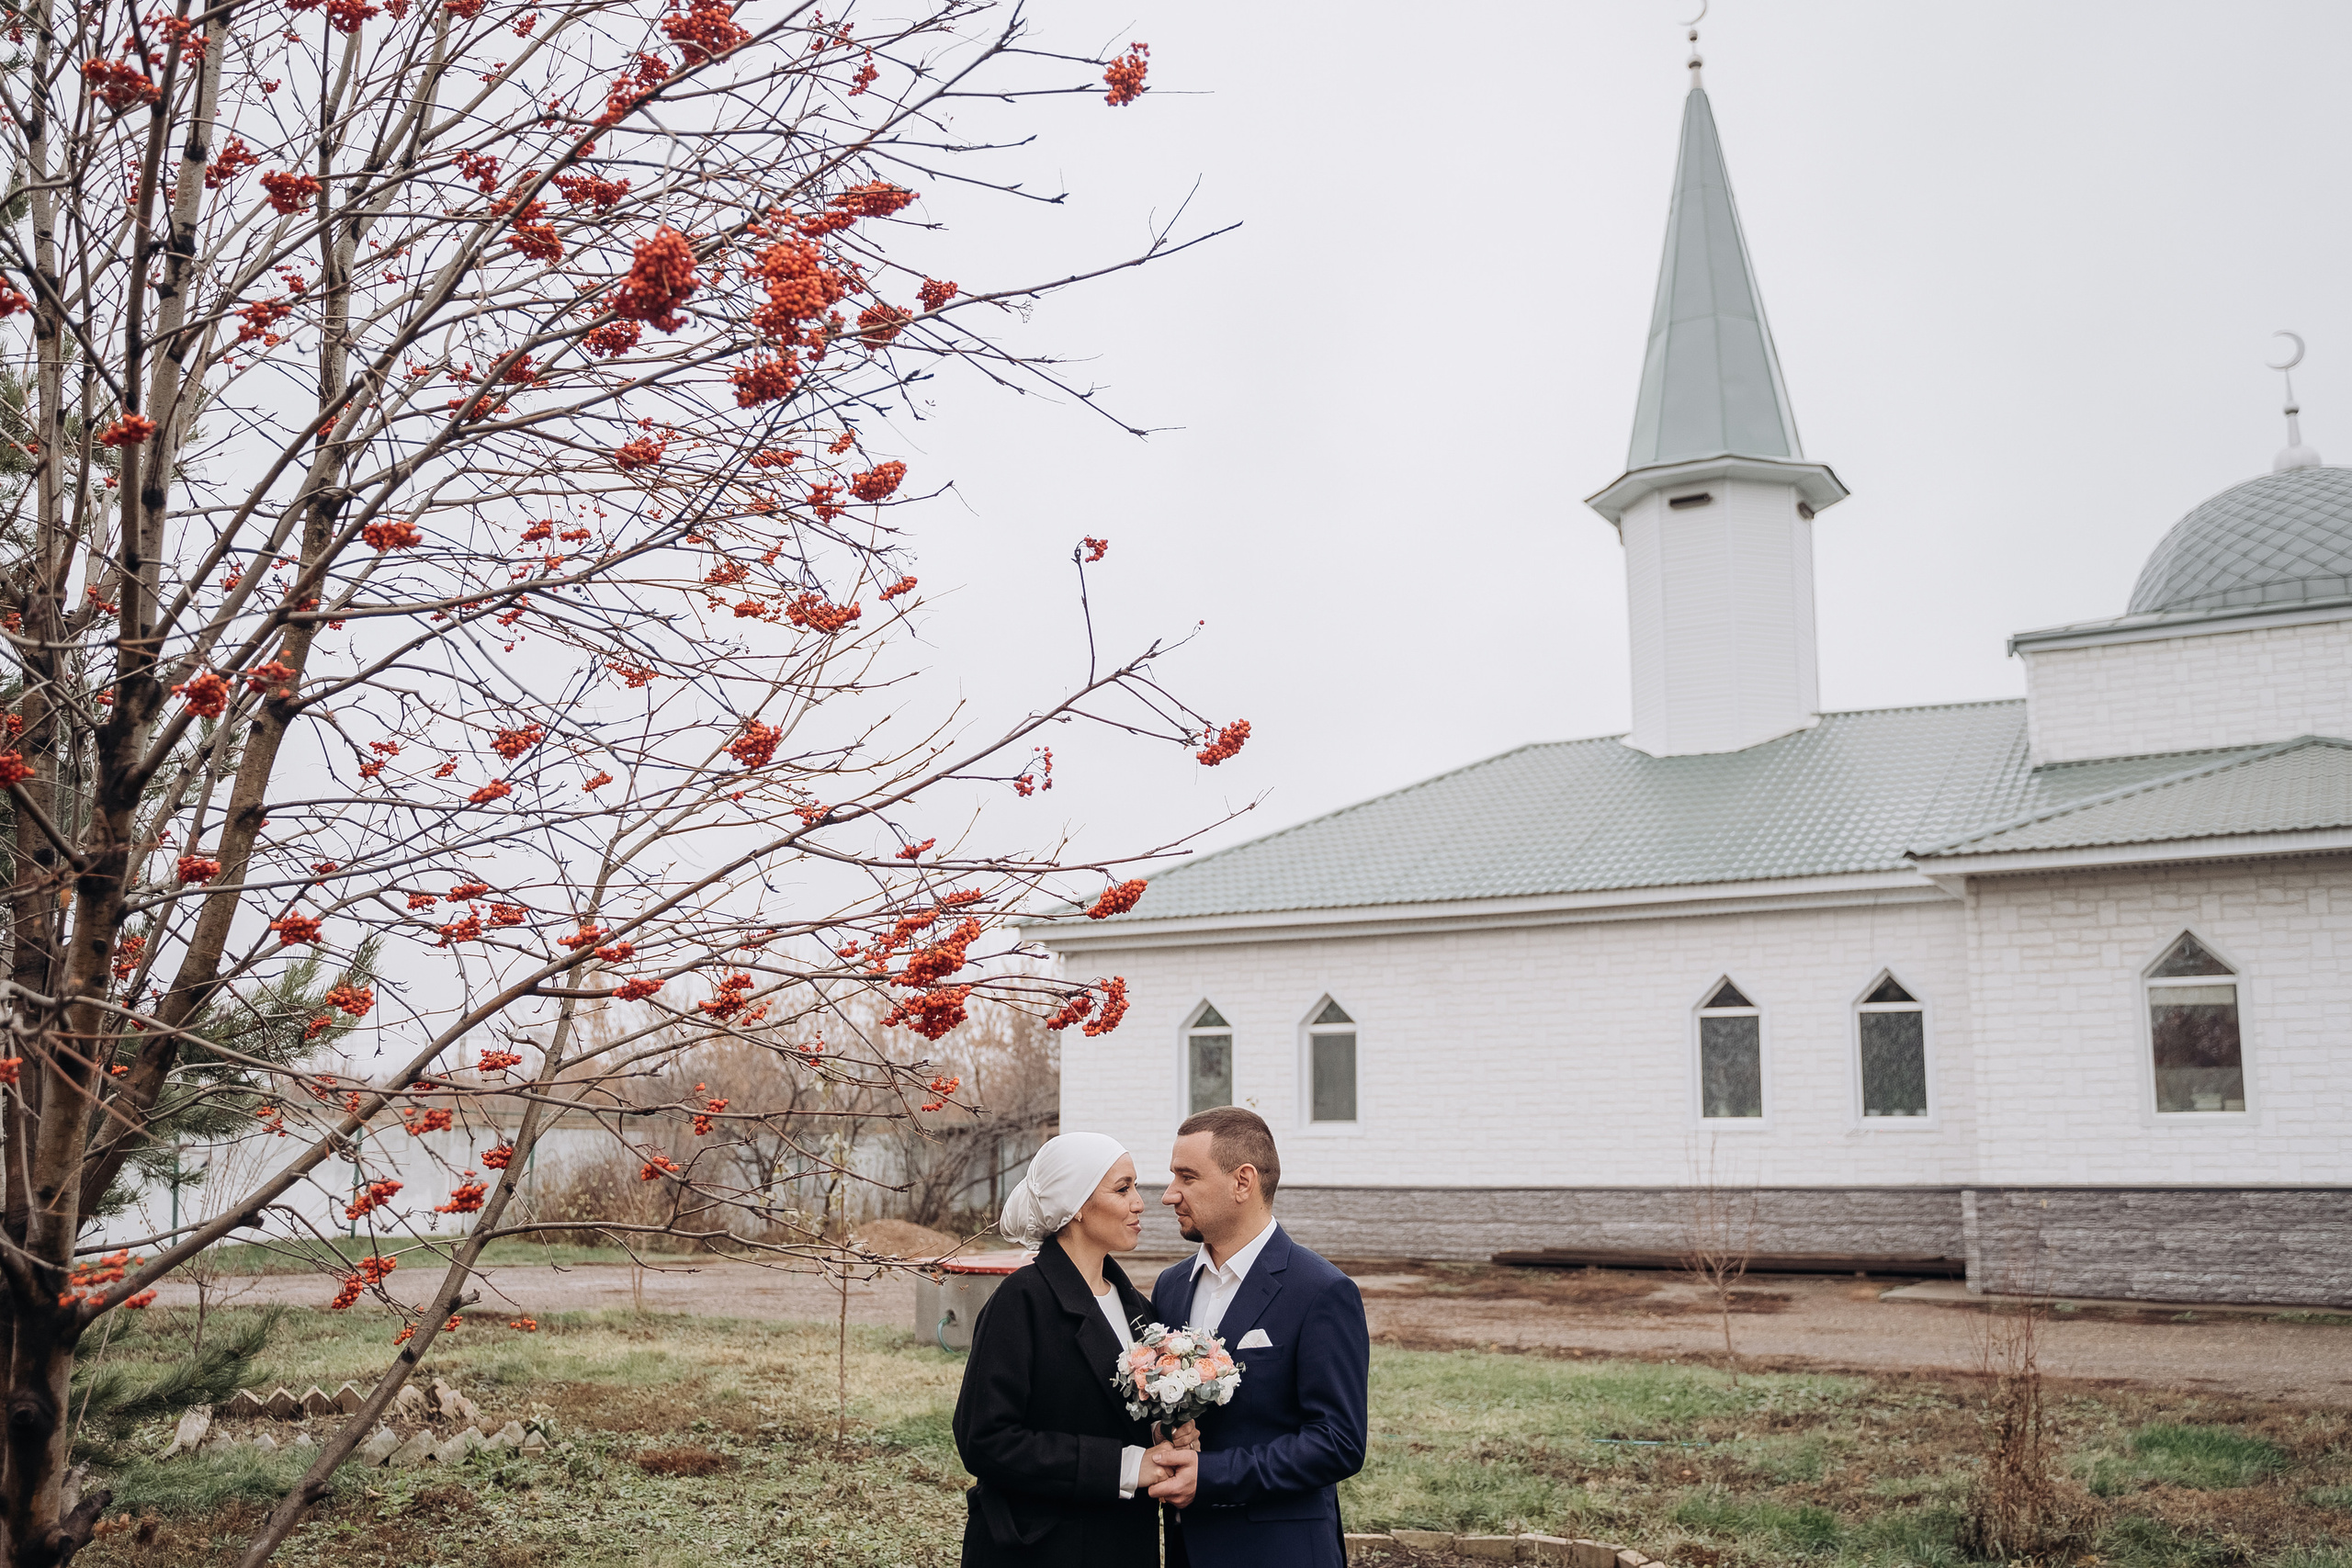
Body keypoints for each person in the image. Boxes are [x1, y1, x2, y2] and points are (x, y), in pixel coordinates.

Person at [952, 1132, 1196, 1567]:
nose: (1140, 1202)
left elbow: (1116, 1417)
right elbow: (985, 1441)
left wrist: (1162, 1435)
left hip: (1123, 1543)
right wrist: (1123, 1466)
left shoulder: (1138, 1308)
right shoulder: (1021, 1301)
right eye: (1123, 1189)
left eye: (1135, 1187)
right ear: (1078, 1205)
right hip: (1040, 1546)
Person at [1144, 1107, 1371, 1568]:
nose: (1169, 1195)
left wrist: (1211, 1474)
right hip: (1187, 1550)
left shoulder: (1321, 1291)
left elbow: (1338, 1442)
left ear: (1242, 1182)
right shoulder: (1169, 1286)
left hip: (1279, 1551)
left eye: (1187, 1177)